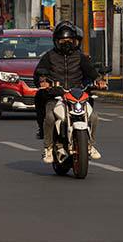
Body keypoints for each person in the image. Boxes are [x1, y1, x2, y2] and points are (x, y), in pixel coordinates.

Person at [33, 22, 107, 163]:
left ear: (75, 41)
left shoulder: (80, 57)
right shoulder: (49, 56)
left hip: (77, 95)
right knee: (49, 117)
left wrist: (99, 80)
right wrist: (43, 82)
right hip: (56, 95)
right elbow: (38, 73)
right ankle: (48, 148)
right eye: (63, 41)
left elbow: (91, 72)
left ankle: (90, 145)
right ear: (56, 41)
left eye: (70, 41)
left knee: (94, 117)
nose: (67, 44)